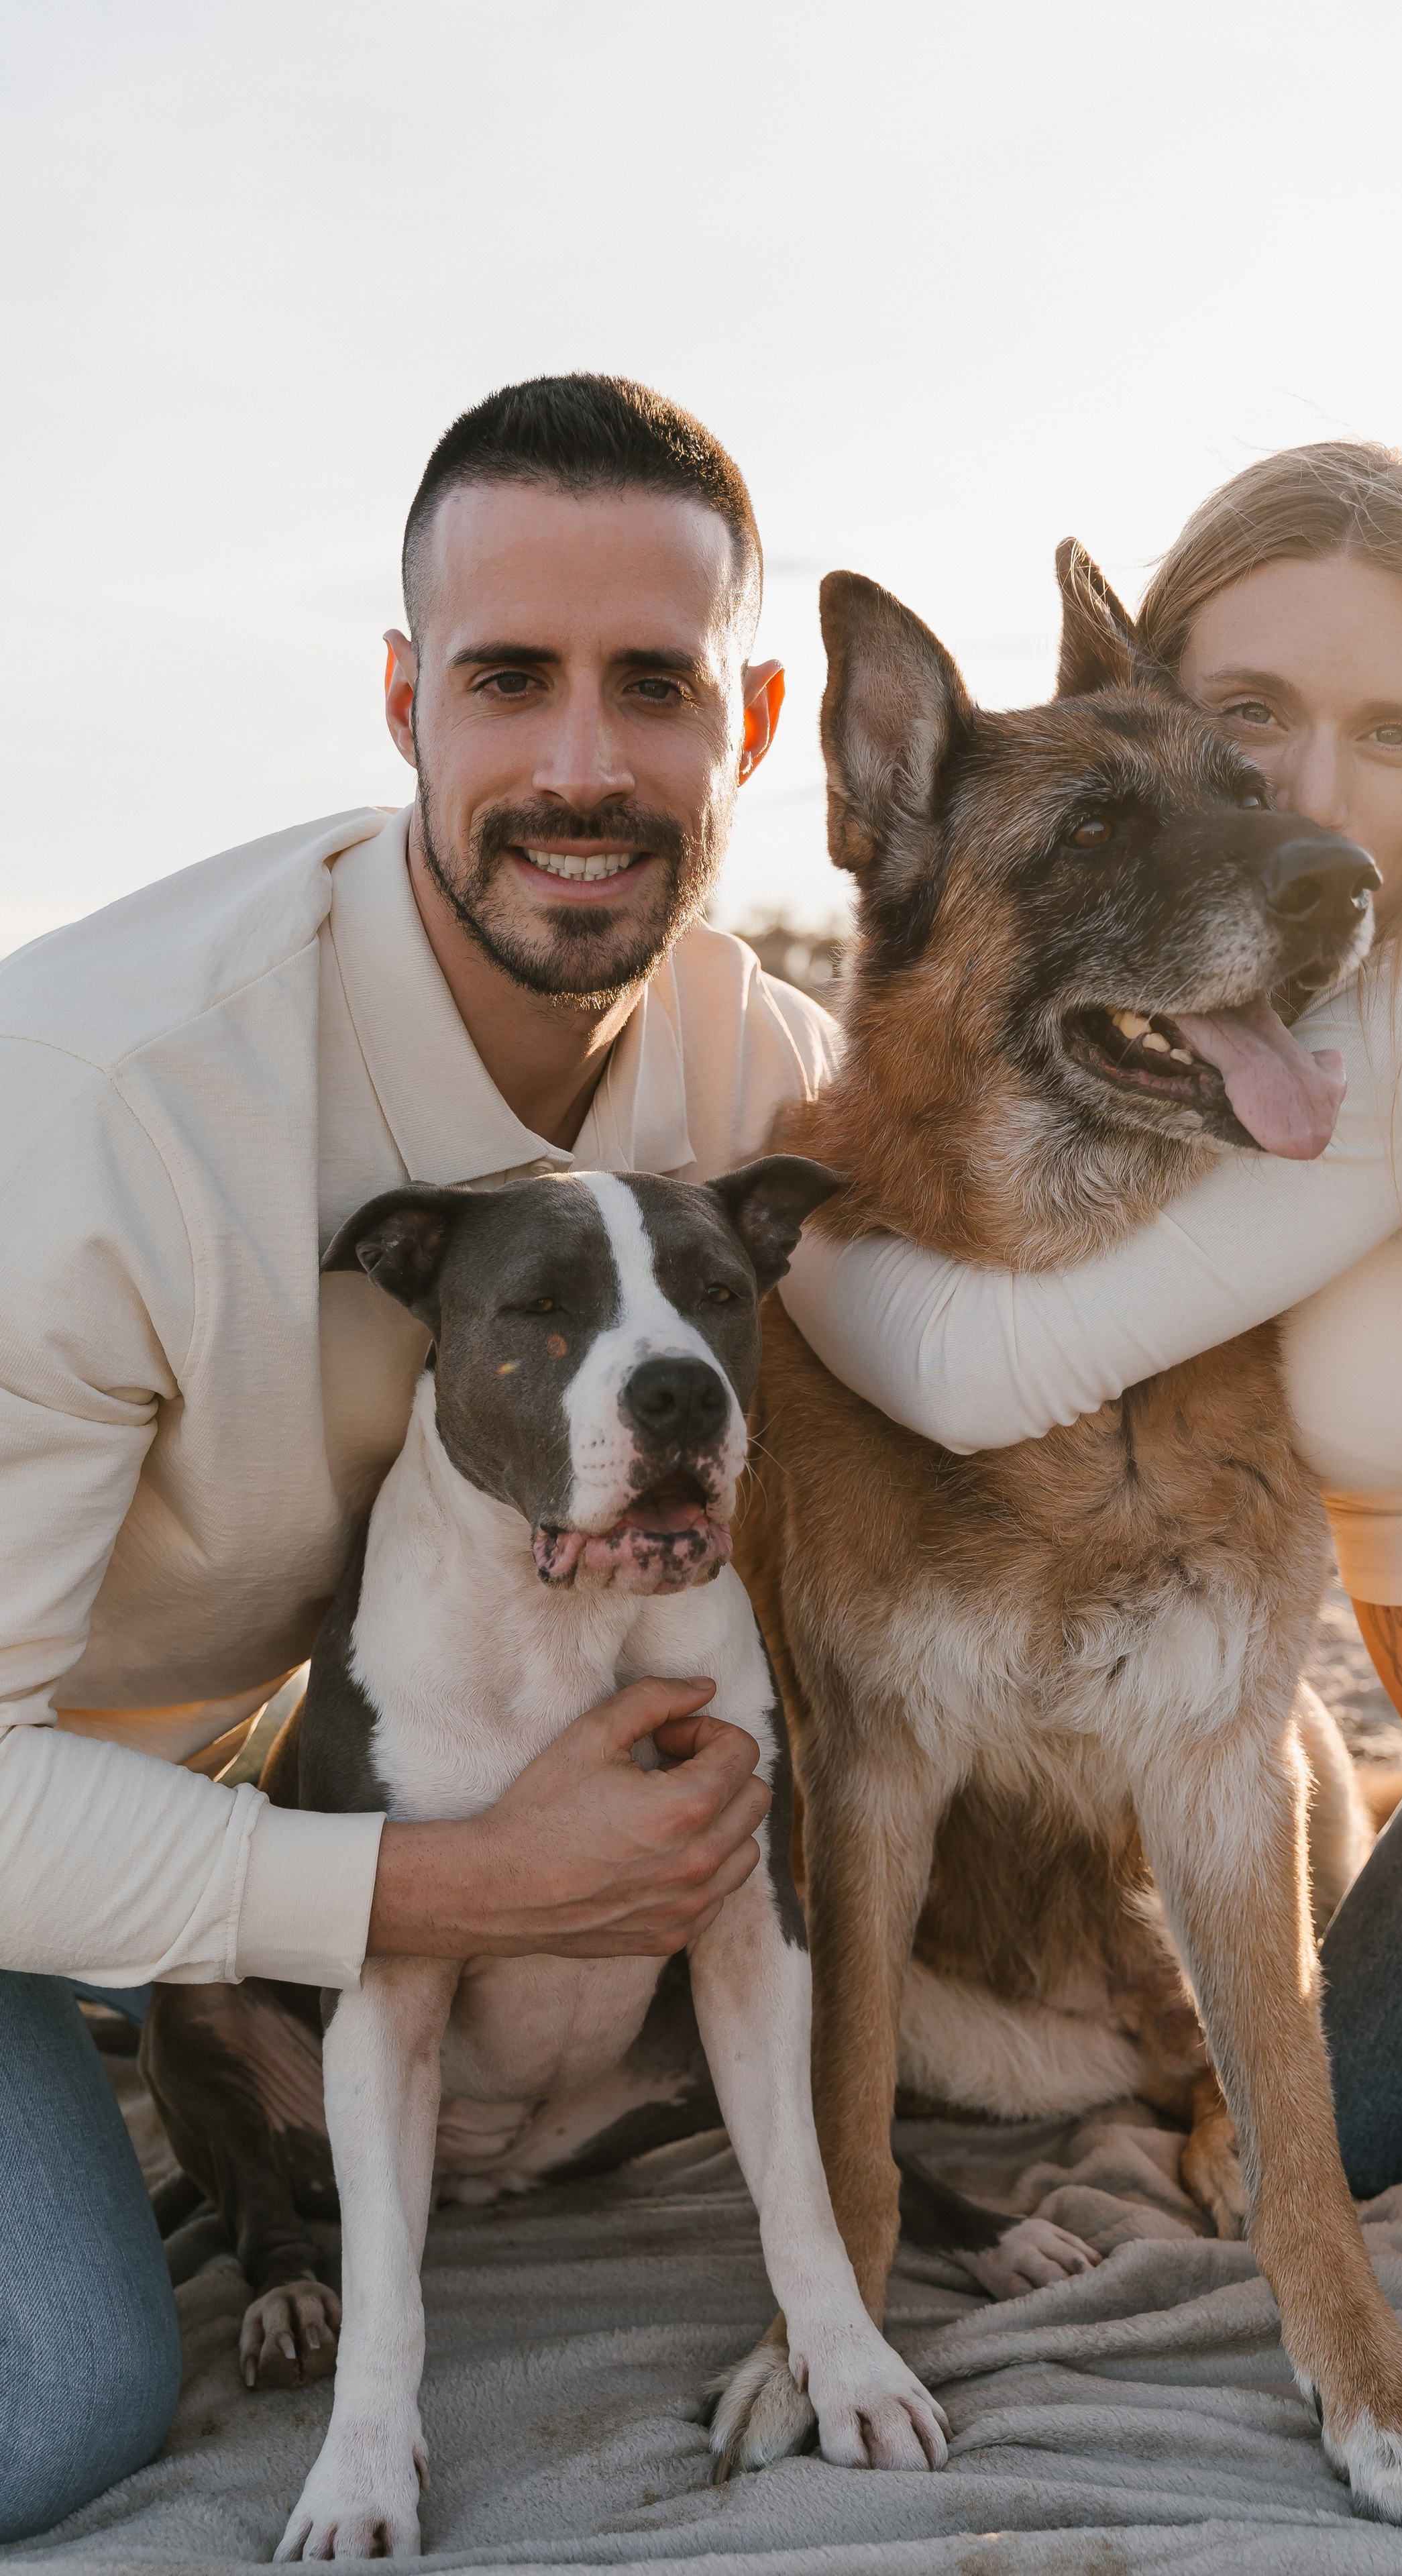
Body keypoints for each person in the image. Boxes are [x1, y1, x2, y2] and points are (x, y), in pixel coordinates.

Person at [779, 441, 1402, 2375]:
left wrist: (767, 1222)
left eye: (1394, 732)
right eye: (1249, 721)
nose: (1312, 801)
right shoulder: (1240, 1050)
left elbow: (982, 1366)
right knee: (1342, 2121)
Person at [0, 374, 836, 2540]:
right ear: (402, 702)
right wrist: (450, 1889)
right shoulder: (96, 1108)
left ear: (745, 731)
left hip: (223, 1829)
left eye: (650, 685)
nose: (581, 765)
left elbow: (986, 1307)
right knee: (41, 2400)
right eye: (506, 680)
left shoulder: (741, 1050)